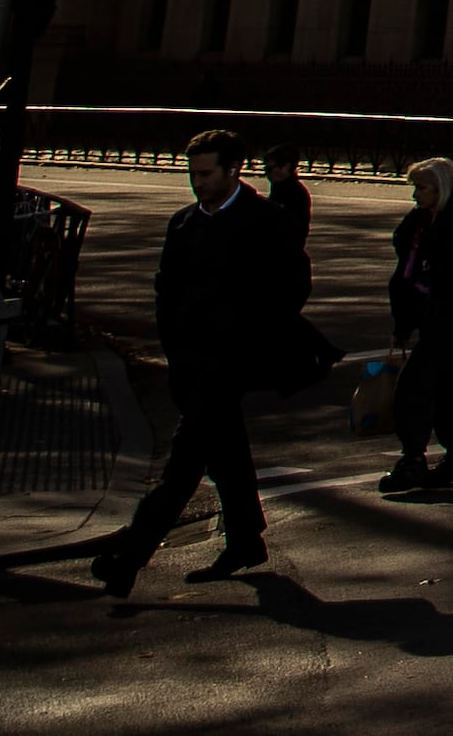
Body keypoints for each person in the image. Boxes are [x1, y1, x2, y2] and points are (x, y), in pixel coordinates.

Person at [91, 128, 335, 590]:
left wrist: (253, 336)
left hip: (233, 360)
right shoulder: (184, 222)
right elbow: (167, 288)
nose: (197, 182)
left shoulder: (266, 220)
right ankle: (245, 538)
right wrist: (174, 347)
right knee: (223, 452)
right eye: (192, 173)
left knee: (183, 463)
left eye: (205, 173)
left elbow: (293, 286)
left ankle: (130, 557)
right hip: (192, 360)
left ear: (233, 171)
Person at [379, 156, 453, 495]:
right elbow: (405, 274)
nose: (416, 195)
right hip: (426, 314)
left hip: (449, 316)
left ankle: (413, 458)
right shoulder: (419, 223)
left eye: (422, 188)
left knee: (415, 386)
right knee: (446, 388)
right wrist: (403, 322)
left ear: (440, 190)